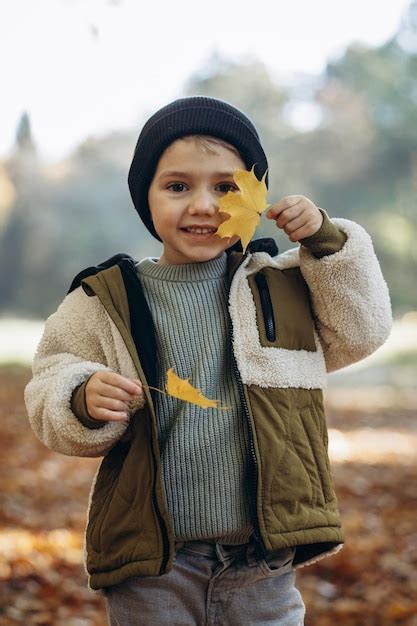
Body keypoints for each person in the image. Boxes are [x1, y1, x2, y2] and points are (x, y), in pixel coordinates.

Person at [24, 96, 392, 625]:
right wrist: (80, 396)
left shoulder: (282, 283)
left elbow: (363, 328)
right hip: (155, 564)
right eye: (177, 186)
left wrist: (326, 241)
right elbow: (50, 377)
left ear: (256, 194)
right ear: (144, 197)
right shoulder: (105, 298)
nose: (203, 205)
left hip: (263, 559)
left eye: (226, 187)